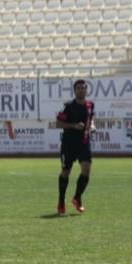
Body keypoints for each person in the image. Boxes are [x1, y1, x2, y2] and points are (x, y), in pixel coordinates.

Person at [54, 79, 96, 215]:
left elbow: (91, 118)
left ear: (86, 90)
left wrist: (93, 126)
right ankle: (61, 200)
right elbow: (58, 124)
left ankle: (77, 198)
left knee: (86, 169)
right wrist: (74, 126)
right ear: (75, 90)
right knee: (66, 172)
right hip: (69, 144)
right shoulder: (68, 106)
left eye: (83, 88)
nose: (81, 90)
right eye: (79, 88)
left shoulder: (90, 105)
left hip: (84, 142)